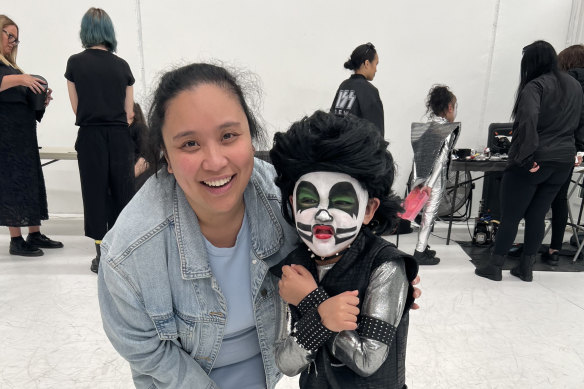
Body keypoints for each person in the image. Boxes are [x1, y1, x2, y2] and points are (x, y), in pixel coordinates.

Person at [97, 63, 421, 389]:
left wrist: (383, 274)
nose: (215, 162)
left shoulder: (284, 202)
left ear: (251, 139)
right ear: (164, 155)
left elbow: (342, 237)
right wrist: (318, 310)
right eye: (189, 144)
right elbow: (147, 351)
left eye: (228, 136)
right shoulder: (129, 255)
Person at [269, 111, 418, 389]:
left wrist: (312, 303)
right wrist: (322, 315)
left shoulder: (384, 267)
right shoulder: (293, 268)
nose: (322, 215)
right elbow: (285, 363)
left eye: (340, 201)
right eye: (309, 199)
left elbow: (367, 359)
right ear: (292, 202)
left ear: (368, 209)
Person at [475, 40, 584, 282]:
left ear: (531, 62)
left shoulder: (535, 86)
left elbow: (527, 123)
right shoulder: (575, 86)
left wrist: (526, 157)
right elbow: (579, 122)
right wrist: (577, 151)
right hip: (563, 162)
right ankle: (526, 268)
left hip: (536, 159)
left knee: (512, 214)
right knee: (537, 214)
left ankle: (495, 265)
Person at [65, 7, 135, 273]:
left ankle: (100, 255)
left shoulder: (74, 63)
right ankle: (123, 252)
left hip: (91, 134)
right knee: (123, 193)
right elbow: (129, 113)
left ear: (85, 31)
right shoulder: (123, 66)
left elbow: (76, 107)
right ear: (109, 31)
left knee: (94, 194)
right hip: (119, 135)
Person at [0, 15, 62, 257]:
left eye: (17, 38)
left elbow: (28, 107)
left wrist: (41, 101)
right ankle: (16, 240)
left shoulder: (13, 68)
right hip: (5, 139)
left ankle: (34, 232)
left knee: (31, 183)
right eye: (9, 35)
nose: (14, 42)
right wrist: (23, 79)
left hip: (24, 137)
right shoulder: (11, 73)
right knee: (12, 185)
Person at [542, 44, 584, 265]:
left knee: (538, 197)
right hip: (571, 150)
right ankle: (554, 250)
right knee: (560, 198)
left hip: (551, 147)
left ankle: (529, 247)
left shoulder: (563, 83)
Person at [410, 85, 460, 265]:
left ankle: (422, 246)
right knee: (429, 215)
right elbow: (442, 159)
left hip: (422, 176)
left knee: (424, 214)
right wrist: (431, 184)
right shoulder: (447, 130)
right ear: (449, 107)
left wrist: (419, 180)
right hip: (435, 180)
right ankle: (420, 251)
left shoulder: (425, 127)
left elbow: (418, 155)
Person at [330, 42, 384, 136]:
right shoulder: (370, 91)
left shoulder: (344, 86)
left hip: (337, 148)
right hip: (358, 149)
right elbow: (377, 135)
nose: (376, 69)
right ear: (367, 63)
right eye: (376, 64)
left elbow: (330, 121)